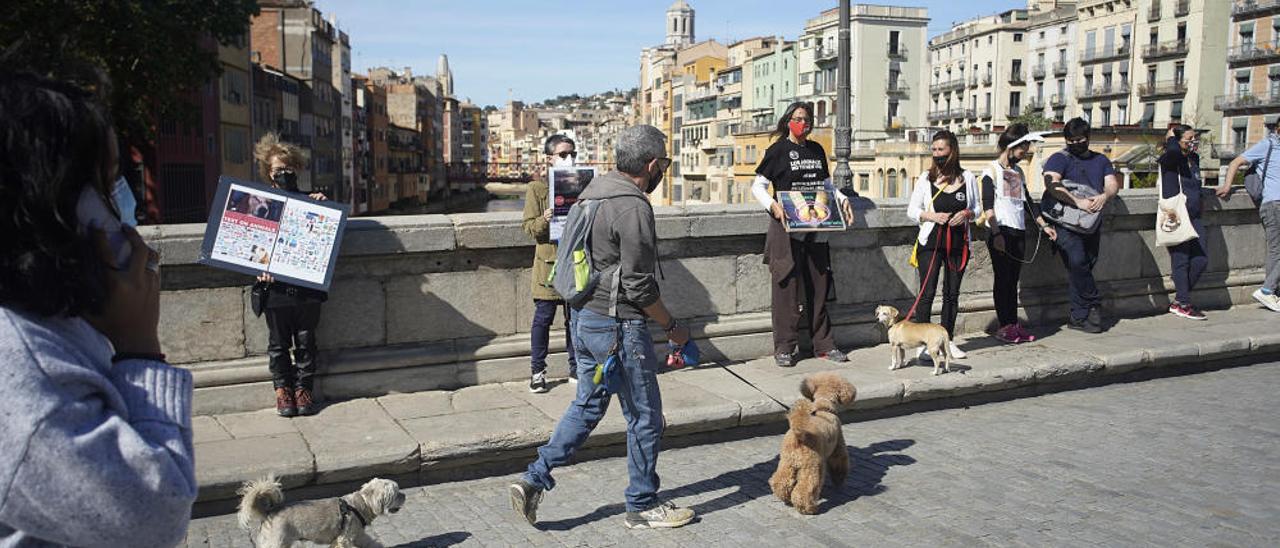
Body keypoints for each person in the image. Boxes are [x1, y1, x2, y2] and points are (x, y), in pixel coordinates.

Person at [0, 70, 196, 545]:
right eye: (107, 187)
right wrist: (140, 349)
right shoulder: (22, 368)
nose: (119, 209)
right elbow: (152, 516)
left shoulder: (41, 318)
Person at [509, 125, 697, 530]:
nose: (663, 169)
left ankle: (534, 477)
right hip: (620, 329)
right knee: (645, 416)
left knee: (589, 404)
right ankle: (643, 505)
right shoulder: (632, 206)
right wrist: (673, 327)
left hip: (585, 321)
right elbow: (639, 286)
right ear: (651, 165)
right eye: (663, 162)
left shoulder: (590, 194)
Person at [751, 101, 856, 368]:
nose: (803, 123)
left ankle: (824, 344)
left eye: (807, 119)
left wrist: (842, 199)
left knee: (819, 284)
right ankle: (784, 347)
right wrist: (773, 206)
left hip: (816, 225)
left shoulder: (818, 150)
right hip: (785, 226)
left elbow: (826, 184)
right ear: (788, 121)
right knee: (786, 287)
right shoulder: (777, 151)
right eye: (798, 118)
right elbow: (758, 186)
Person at [252, 133, 329, 417]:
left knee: (307, 343)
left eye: (288, 169)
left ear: (297, 169)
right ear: (268, 174)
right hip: (275, 290)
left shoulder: (312, 202)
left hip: (307, 288)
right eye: (277, 171)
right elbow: (252, 244)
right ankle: (283, 391)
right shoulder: (260, 206)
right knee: (278, 344)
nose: (283, 174)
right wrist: (259, 268)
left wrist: (323, 206)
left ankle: (303, 390)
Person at [979, 124, 1058, 343]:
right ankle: (1004, 326)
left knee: (1013, 281)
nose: (1026, 152)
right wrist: (996, 234)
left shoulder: (1018, 172)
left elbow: (1028, 203)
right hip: (1000, 230)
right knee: (1002, 279)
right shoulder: (991, 170)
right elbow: (988, 205)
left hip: (1018, 230)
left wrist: (1043, 225)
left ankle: (1013, 323)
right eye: (1023, 147)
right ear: (1011, 146)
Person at [906, 130, 980, 360]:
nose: (937, 154)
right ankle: (922, 343)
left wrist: (967, 213)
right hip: (931, 242)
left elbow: (977, 209)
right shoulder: (926, 179)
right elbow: (911, 211)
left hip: (958, 244)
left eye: (941, 150)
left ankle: (948, 341)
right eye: (934, 150)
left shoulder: (967, 178)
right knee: (927, 293)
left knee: (951, 293)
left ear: (952, 151)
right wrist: (931, 216)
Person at [1042, 117, 1120, 333]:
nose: (1076, 144)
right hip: (1064, 221)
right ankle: (1094, 303)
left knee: (1083, 266)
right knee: (1078, 261)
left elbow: (1112, 184)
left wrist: (1105, 196)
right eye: (1071, 140)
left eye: (1080, 139)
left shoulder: (1101, 160)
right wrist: (1077, 202)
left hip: (1090, 222)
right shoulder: (1059, 158)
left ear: (1088, 138)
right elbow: (1051, 182)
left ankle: (1079, 318)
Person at [520, 134, 579, 393]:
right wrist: (545, 218)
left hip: (575, 264)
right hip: (548, 266)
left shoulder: (581, 185)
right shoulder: (537, 189)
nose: (570, 159)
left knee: (574, 320)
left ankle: (577, 369)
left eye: (573, 154)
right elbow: (529, 228)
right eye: (564, 155)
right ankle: (537, 372)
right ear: (549, 159)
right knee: (543, 319)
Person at [1220, 123, 1280, 312]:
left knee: (1276, 251)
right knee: (1277, 250)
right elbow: (1236, 162)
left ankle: (1272, 291)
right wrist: (1227, 186)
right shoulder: (1267, 145)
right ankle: (1267, 290)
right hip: (1274, 204)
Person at [1160, 124, 1209, 320]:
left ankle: (1181, 298)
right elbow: (1173, 153)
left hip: (1195, 215)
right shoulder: (1170, 158)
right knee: (1180, 260)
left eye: (1194, 139)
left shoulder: (1193, 158)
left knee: (1200, 260)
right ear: (1177, 140)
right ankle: (1183, 303)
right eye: (1188, 139)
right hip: (1177, 215)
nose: (1193, 143)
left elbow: (1196, 184)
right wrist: (1171, 139)